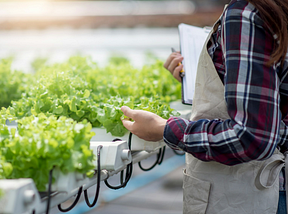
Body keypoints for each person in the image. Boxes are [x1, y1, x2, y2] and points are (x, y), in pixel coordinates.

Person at [121, 0, 288, 213]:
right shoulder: (273, 8)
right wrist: (199, 80)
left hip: (256, 193)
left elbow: (251, 136)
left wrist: (165, 129)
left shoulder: (245, 13)